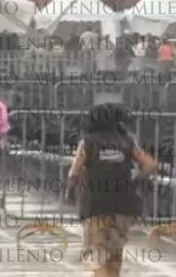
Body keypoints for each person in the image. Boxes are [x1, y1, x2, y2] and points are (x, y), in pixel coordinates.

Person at [67, 103, 157, 277]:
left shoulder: (88, 143)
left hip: (97, 206)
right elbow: (150, 164)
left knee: (97, 256)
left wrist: (71, 189)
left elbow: (74, 171)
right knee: (114, 256)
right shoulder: (128, 143)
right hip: (124, 206)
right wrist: (136, 182)